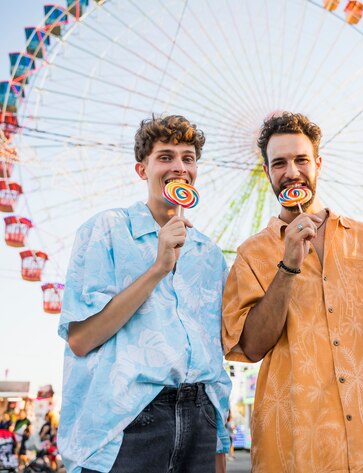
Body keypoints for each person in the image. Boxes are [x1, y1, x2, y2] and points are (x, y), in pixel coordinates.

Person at [222, 112, 363, 472]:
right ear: (267, 172)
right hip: (297, 447)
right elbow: (251, 346)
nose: (291, 171)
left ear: (318, 163)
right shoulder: (251, 254)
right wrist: (287, 266)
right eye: (279, 163)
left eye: (301, 160)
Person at [57, 115, 232, 473]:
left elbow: (212, 355)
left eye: (188, 157)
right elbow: (80, 339)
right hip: (129, 419)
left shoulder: (210, 255)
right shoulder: (105, 230)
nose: (178, 167)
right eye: (165, 157)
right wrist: (158, 267)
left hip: (199, 417)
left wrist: (218, 438)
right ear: (142, 169)